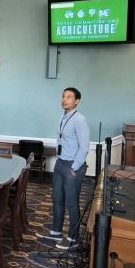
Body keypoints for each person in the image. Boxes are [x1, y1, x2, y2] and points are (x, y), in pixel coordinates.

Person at [39, 87, 89, 251]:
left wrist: (75, 167)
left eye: (69, 97)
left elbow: (84, 147)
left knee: (71, 202)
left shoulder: (79, 119)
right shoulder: (63, 116)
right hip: (61, 162)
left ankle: (73, 237)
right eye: (63, 96)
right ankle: (56, 232)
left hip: (72, 165)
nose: (64, 99)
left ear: (77, 101)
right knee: (57, 198)